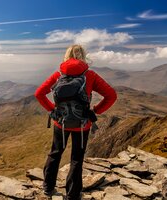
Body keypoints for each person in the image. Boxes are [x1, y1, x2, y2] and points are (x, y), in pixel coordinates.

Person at [34, 44, 117, 199]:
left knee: (55, 153)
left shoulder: (58, 75)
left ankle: (47, 187)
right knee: (76, 159)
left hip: (61, 123)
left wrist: (53, 110)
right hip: (82, 124)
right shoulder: (90, 75)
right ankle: (73, 194)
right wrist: (95, 111)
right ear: (83, 57)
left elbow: (39, 93)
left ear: (66, 56)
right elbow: (111, 95)